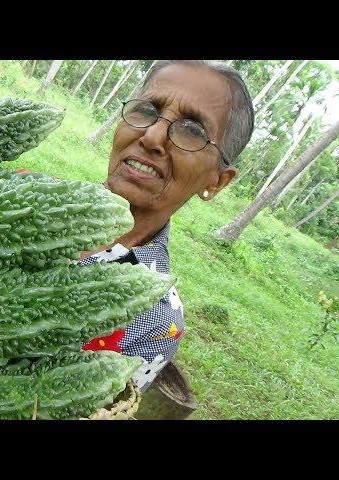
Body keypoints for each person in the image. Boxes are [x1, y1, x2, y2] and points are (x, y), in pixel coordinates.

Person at [79, 60, 255, 391]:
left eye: (192, 130)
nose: (152, 136)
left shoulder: (157, 323)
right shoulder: (22, 201)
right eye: (147, 110)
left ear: (216, 181)